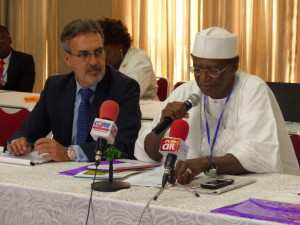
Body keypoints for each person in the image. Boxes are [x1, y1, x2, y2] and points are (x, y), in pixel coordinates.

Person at [136, 27, 299, 184]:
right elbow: (150, 153)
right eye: (197, 69)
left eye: (213, 70)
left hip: (252, 185)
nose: (203, 78)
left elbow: (257, 154)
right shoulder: (187, 91)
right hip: (199, 186)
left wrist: (206, 163)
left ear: (234, 67)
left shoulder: (253, 89)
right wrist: (163, 125)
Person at [6, 19, 141, 162]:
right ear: (67, 59)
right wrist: (19, 142)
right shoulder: (55, 87)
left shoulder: (123, 88)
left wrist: (70, 153)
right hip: (60, 173)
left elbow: (123, 145)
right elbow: (30, 131)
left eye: (98, 52)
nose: (94, 61)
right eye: (84, 54)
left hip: (103, 174)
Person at [97, 18, 158, 100]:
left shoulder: (140, 59)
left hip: (145, 110)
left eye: (107, 51)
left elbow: (130, 93)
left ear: (120, 45)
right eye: (99, 52)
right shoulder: (100, 62)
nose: (103, 57)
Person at [0, 25, 35, 92]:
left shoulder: (25, 60)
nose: (0, 46)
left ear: (10, 40)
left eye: (2, 41)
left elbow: (25, 90)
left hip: (14, 101)